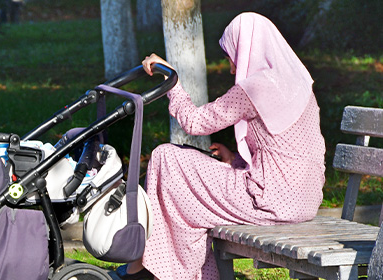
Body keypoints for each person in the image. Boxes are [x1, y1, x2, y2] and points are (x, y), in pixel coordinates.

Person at [116, 12, 326, 280]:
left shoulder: (256, 89)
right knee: (185, 185)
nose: (231, 69)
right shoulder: (301, 84)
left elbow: (194, 123)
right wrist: (236, 159)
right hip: (305, 201)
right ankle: (172, 270)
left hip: (270, 202)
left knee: (166, 158)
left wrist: (172, 81)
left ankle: (157, 270)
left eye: (232, 58)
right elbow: (288, 152)